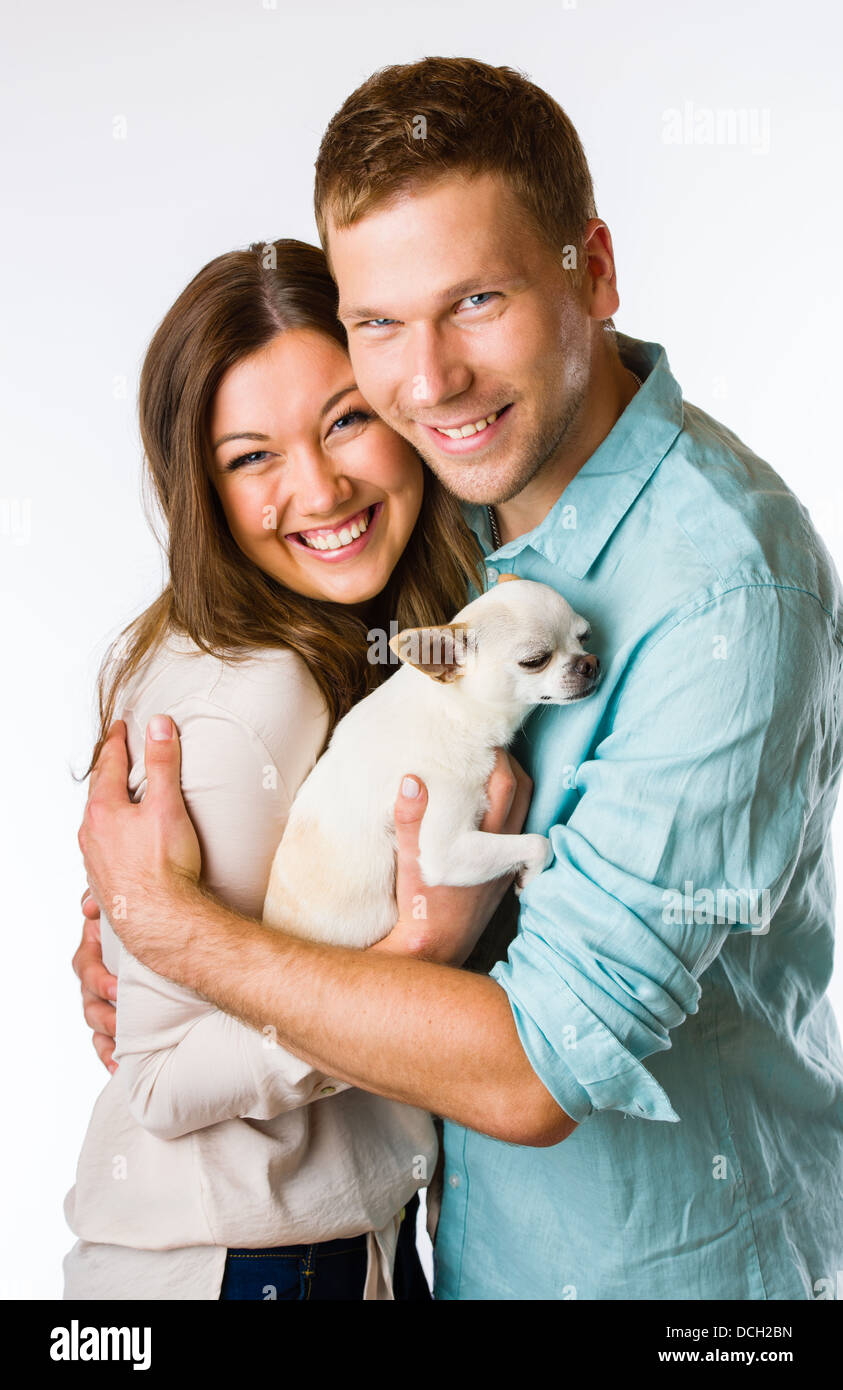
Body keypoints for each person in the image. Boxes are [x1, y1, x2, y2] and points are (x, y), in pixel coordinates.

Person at [77, 57, 843, 1300]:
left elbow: (540, 1069)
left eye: (478, 298)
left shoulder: (728, 594)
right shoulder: (449, 504)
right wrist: (133, 938)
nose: (428, 380)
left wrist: (183, 935)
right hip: (448, 1261)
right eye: (379, 322)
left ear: (591, 271)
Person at [64, 235, 529, 1301]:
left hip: (328, 1250)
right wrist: (416, 949)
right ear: (203, 489)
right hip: (248, 1270)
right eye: (251, 456)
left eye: (345, 420)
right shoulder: (261, 690)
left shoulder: (368, 651)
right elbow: (161, 1077)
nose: (319, 489)